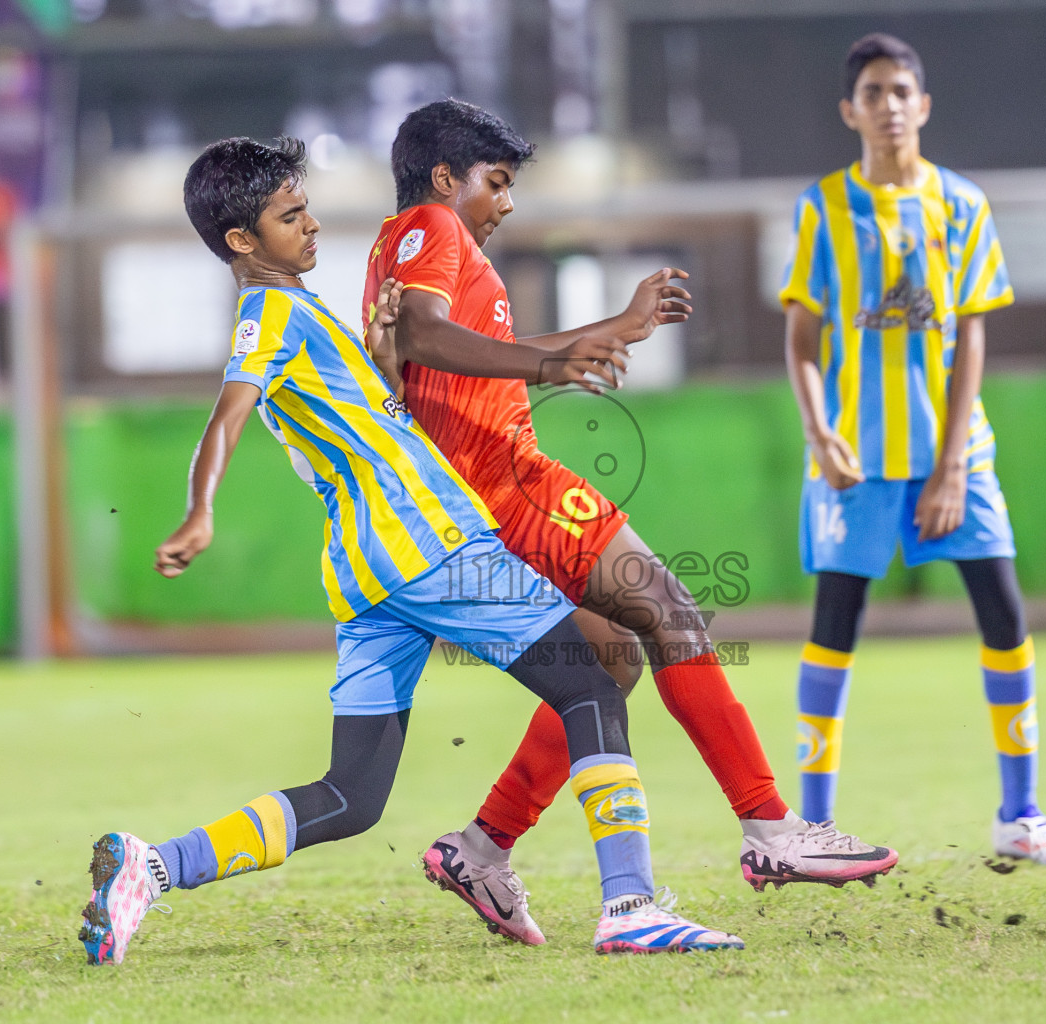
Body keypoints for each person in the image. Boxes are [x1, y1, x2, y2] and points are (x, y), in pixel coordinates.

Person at [76, 136, 745, 964]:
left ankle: (153, 865)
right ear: (243, 242)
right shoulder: (270, 315)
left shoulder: (303, 313)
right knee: (595, 682)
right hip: (430, 546)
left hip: (367, 576)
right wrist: (197, 511)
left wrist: (386, 357)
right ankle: (633, 905)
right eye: (291, 216)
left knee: (351, 795)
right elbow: (229, 411)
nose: (313, 224)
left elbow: (365, 418)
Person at [361, 99, 898, 947]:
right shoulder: (428, 225)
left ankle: (480, 848)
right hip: (505, 487)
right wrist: (551, 357)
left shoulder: (427, 244)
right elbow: (426, 339)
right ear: (442, 178)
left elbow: (453, 369)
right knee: (671, 609)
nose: (505, 202)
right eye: (495, 183)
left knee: (609, 658)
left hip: (486, 484)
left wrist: (612, 327)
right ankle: (771, 830)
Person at [780, 33, 1046, 865]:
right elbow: (801, 342)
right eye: (873, 92)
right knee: (835, 625)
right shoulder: (821, 210)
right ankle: (816, 827)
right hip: (854, 459)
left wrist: (949, 468)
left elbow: (970, 339)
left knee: (1004, 615)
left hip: (956, 458)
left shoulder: (963, 204)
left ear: (925, 105)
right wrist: (818, 429)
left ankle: (1020, 813)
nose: (890, 105)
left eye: (902, 90)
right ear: (850, 111)